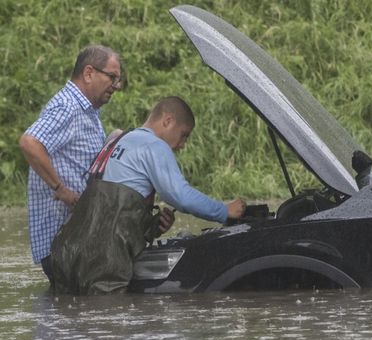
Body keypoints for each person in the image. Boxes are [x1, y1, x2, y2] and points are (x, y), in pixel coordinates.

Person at [50, 96, 247, 295]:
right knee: (108, 319)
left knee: (73, 317)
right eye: (184, 135)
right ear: (168, 121)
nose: (183, 144)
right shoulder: (154, 145)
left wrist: (152, 226)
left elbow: (105, 213)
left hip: (67, 254)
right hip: (102, 262)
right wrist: (224, 210)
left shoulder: (116, 140)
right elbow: (180, 196)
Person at [19, 45, 123, 285]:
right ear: (89, 73)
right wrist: (60, 189)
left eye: (118, 79)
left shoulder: (87, 111)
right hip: (63, 244)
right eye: (112, 77)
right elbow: (29, 143)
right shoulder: (68, 107)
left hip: (75, 239)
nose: (116, 86)